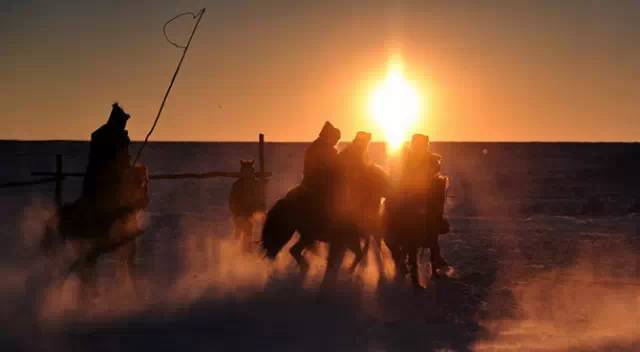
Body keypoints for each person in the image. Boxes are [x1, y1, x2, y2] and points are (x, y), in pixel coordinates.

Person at [399, 133, 450, 273]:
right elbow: (402, 174)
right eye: (416, 143)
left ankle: (435, 256)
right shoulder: (406, 158)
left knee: (433, 220)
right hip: (409, 195)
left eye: (421, 144)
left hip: (426, 197)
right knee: (396, 214)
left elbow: (434, 172)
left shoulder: (431, 159)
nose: (418, 146)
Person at [82, 102, 132, 213]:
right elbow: (119, 160)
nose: (125, 124)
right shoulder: (114, 138)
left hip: (98, 185)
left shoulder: (102, 135)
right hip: (106, 188)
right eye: (123, 121)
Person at [301, 121, 346, 221]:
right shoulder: (327, 149)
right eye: (336, 139)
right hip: (319, 184)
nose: (336, 142)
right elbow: (334, 168)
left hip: (307, 183)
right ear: (329, 136)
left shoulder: (314, 146)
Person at [229, 160, 264, 251]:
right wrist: (237, 213)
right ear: (242, 172)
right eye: (246, 172)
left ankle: (246, 250)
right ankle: (240, 250)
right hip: (240, 214)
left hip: (250, 214)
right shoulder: (237, 185)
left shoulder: (256, 184)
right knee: (242, 231)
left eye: (250, 171)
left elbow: (260, 199)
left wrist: (260, 210)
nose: (248, 174)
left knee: (248, 232)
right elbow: (232, 201)